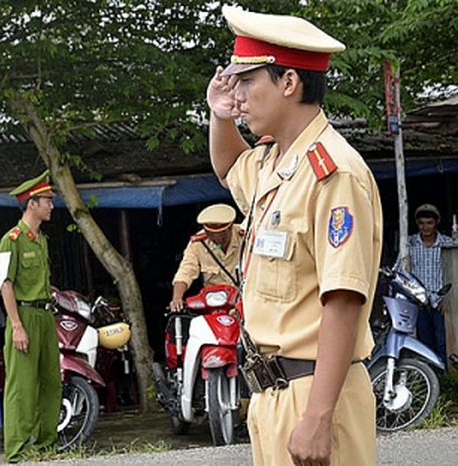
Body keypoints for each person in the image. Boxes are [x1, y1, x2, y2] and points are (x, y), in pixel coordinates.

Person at [206, 6, 382, 466]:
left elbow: (343, 298)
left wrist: (319, 417)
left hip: (315, 394)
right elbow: (228, 169)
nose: (237, 95)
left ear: (288, 83)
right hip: (273, 396)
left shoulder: (333, 173)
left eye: (246, 83)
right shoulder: (275, 162)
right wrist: (220, 117)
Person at [0, 170, 62, 462]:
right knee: (21, 387)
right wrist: (16, 326)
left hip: (45, 316)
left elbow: (33, 279)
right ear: (31, 203)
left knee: (51, 382)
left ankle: (45, 448)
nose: (51, 205)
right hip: (22, 316)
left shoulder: (41, 239)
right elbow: (5, 284)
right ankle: (18, 452)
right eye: (47, 200)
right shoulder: (11, 239)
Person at [169, 203, 244, 312]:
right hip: (215, 306)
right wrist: (177, 298)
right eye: (213, 234)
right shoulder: (198, 244)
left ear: (231, 227)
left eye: (223, 234)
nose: (218, 239)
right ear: (206, 232)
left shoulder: (245, 236)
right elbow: (186, 271)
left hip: (244, 301)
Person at [403, 203, 452, 364]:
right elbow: (401, 271)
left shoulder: (447, 243)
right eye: (422, 223)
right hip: (419, 301)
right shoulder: (409, 244)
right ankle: (429, 374)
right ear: (417, 224)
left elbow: (453, 273)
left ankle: (445, 375)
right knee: (424, 340)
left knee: (442, 339)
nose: (426, 227)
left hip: (441, 300)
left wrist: (449, 299)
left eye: (429, 223)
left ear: (436, 222)